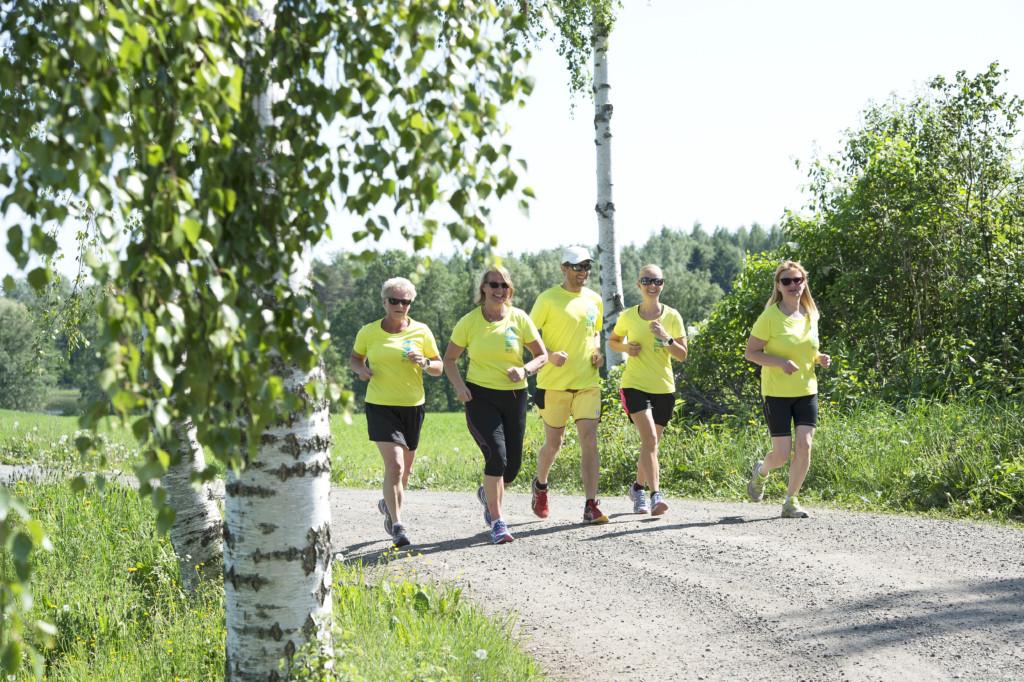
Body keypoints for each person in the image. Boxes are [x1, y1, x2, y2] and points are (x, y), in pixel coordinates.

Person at [443, 266, 547, 544]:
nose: (499, 290)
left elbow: (542, 355)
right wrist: (459, 386)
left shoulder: (519, 318)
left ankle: (486, 494)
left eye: (504, 285)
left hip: (515, 396)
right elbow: (450, 359)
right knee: (497, 456)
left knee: (511, 468)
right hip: (480, 397)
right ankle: (498, 521)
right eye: (494, 285)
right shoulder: (469, 322)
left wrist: (525, 370)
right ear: (483, 289)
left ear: (509, 289)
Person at [350, 277, 443, 548]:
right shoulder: (369, 332)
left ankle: (387, 504)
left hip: (413, 406)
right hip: (380, 405)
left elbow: (438, 366)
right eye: (394, 300)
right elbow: (355, 358)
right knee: (395, 465)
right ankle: (398, 525)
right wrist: (361, 370)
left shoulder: (422, 331)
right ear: (384, 302)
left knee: (405, 473)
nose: (400, 306)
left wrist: (425, 362)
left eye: (405, 301)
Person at [744, 260, 831, 519]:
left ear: (804, 283)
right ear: (778, 286)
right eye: (787, 281)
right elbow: (751, 353)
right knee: (781, 455)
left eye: (798, 280)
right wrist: (780, 363)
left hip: (806, 390)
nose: (793, 285)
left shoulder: (810, 314)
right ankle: (762, 472)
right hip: (777, 394)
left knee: (804, 445)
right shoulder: (769, 317)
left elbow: (807, 350)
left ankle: (791, 501)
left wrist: (819, 358)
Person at [529, 245, 608, 524]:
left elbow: (595, 331)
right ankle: (540, 485)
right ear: (563, 268)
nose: (582, 272)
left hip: (588, 382)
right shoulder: (547, 299)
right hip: (554, 384)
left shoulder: (594, 300)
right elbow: (528, 335)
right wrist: (548, 356)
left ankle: (591, 504)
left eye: (586, 267)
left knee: (590, 441)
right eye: (577, 267)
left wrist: (598, 352)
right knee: (554, 443)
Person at [608, 264, 688, 516]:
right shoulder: (629, 315)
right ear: (638, 285)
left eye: (657, 281)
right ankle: (655, 495)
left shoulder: (672, 316)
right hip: (634, 385)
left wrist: (667, 338)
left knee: (650, 444)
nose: (652, 286)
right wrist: (625, 349)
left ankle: (637, 488)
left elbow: (682, 355)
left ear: (663, 285)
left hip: (663, 387)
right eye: (647, 281)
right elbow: (612, 341)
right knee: (650, 440)